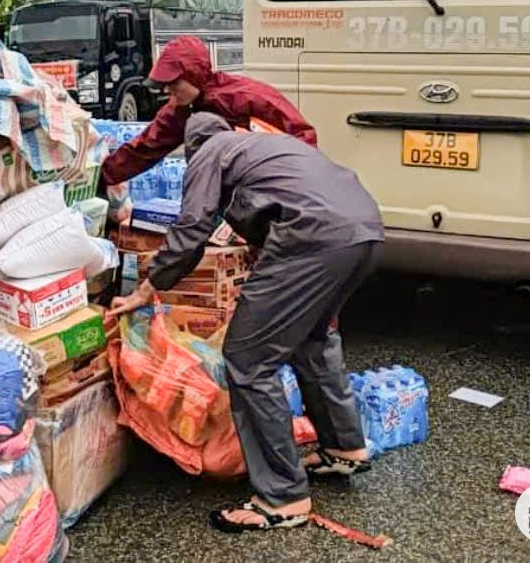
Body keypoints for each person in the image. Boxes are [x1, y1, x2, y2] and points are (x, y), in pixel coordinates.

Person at [107, 113, 385, 533]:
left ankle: (281, 497)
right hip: (364, 231)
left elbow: (191, 227)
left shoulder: (210, 154)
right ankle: (344, 447)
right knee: (313, 338)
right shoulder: (262, 145)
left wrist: (148, 288)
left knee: (249, 360)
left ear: (193, 148)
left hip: (312, 240)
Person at [100, 35, 316, 188]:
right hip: (224, 191)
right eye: (165, 85)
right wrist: (102, 176)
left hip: (270, 185)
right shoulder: (180, 109)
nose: (168, 91)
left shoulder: (247, 97)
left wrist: (294, 185)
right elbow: (146, 147)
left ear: (193, 75)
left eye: (174, 83)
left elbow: (303, 137)